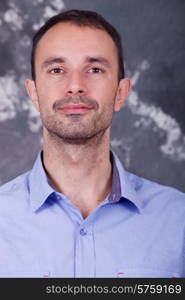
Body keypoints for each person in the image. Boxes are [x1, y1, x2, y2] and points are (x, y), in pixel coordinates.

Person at [0, 9, 184, 278]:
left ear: (120, 93)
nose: (75, 86)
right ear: (34, 93)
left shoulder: (177, 219)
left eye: (95, 69)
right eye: (57, 69)